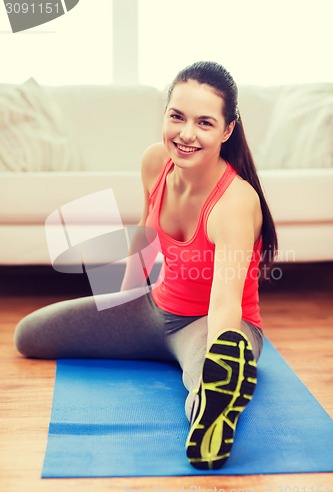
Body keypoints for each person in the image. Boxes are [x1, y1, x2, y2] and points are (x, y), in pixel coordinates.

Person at [14, 61, 278, 470]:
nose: (186, 134)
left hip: (209, 323)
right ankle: (211, 386)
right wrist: (120, 303)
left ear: (227, 131)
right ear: (165, 115)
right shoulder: (155, 163)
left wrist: (217, 356)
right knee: (28, 336)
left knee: (204, 380)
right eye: (177, 117)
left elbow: (225, 303)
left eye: (204, 123)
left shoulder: (235, 203)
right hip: (153, 310)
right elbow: (146, 240)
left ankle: (214, 409)